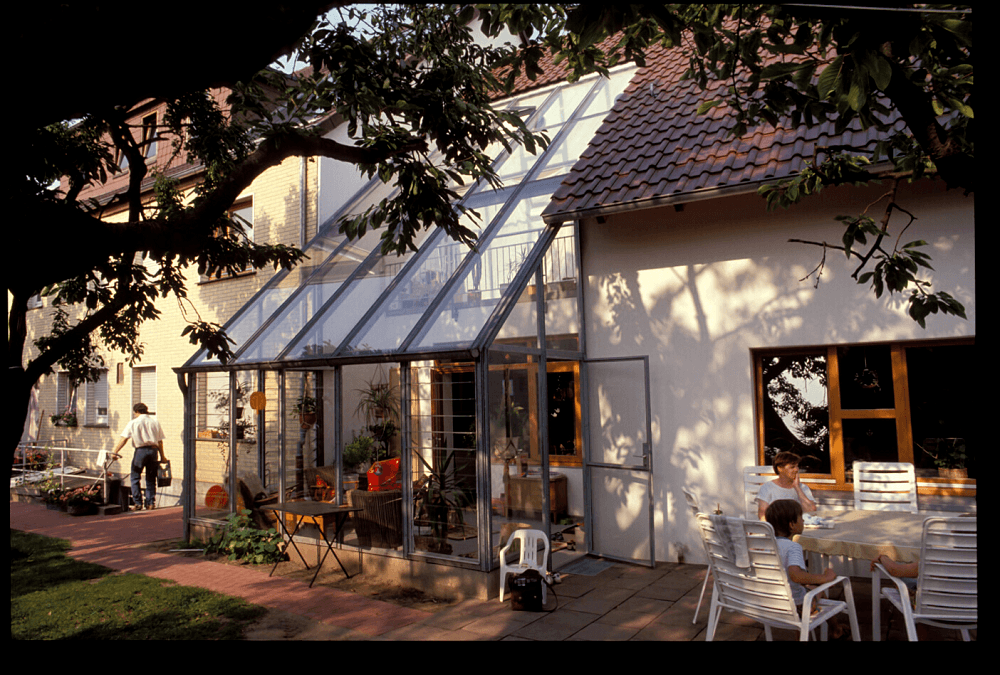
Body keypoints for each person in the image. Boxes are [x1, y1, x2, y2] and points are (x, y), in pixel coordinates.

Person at [765, 499, 848, 639]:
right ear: (792, 525)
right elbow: (796, 576)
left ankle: (836, 629)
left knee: (810, 587)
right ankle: (835, 629)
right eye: (801, 518)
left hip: (769, 605)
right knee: (818, 589)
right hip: (795, 608)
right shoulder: (793, 547)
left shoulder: (766, 545)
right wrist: (825, 578)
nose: (803, 521)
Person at [112, 403, 166, 511]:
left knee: (135, 477)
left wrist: (115, 451)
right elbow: (160, 441)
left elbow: (124, 439)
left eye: (135, 413)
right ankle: (150, 503)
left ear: (136, 411)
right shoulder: (155, 422)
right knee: (151, 478)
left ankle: (138, 503)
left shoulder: (133, 422)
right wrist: (162, 456)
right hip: (153, 451)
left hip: (140, 451)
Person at [756, 451, 817, 520]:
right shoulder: (767, 487)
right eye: (792, 467)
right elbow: (762, 514)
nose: (796, 469)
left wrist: (797, 487)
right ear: (780, 469)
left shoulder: (802, 488)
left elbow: (812, 512)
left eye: (797, 466)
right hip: (776, 525)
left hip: (798, 525)